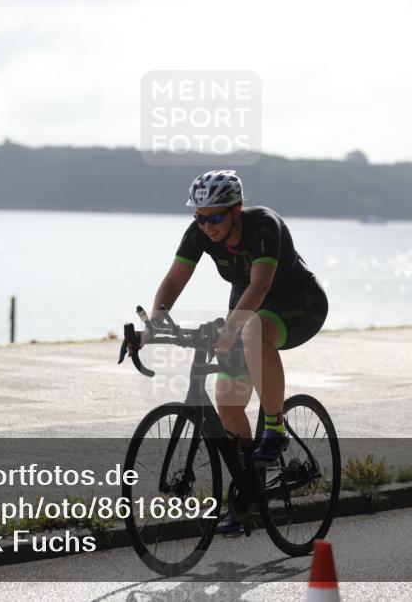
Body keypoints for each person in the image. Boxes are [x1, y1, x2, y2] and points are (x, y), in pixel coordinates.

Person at [138, 169, 328, 533]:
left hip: (298, 303)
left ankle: (275, 428)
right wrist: (155, 324)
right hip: (247, 304)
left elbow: (261, 285)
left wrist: (231, 328)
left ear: (236, 210)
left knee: (253, 329)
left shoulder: (264, 226)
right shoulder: (199, 233)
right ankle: (247, 493)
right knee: (227, 402)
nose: (206, 225)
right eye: (199, 216)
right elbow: (175, 278)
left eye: (214, 217)